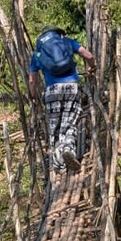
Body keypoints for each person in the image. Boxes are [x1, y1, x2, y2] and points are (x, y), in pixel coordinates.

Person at [28, 27, 95, 172]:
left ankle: (58, 164)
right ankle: (68, 150)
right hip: (71, 87)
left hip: (52, 91)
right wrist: (91, 67)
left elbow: (32, 80)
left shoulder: (38, 53)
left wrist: (32, 96)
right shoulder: (67, 42)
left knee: (54, 127)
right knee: (69, 123)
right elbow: (88, 55)